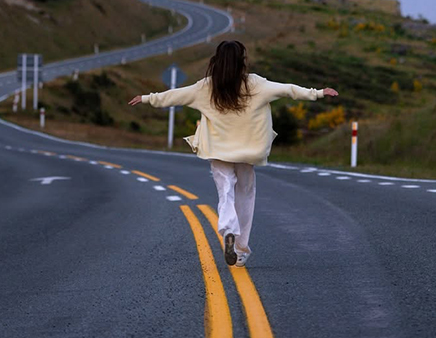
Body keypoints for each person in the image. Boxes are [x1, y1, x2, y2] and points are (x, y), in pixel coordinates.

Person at [128, 40, 338, 267]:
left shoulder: (206, 87)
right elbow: (288, 89)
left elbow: (175, 96)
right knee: (245, 195)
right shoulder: (255, 84)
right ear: (241, 61)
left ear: (216, 60)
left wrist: (147, 98)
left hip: (218, 150)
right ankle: (240, 249)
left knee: (225, 191)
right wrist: (317, 93)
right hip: (248, 151)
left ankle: (228, 229)